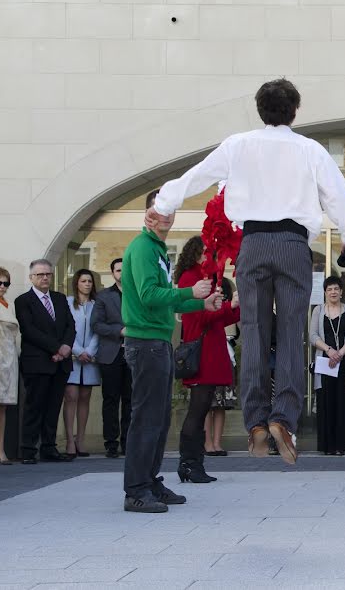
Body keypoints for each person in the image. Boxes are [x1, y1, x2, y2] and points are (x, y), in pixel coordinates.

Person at [147, 79, 345, 465]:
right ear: (294, 111)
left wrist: (164, 203)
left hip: (253, 243)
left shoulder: (238, 144)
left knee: (254, 330)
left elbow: (196, 175)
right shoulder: (309, 150)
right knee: (292, 329)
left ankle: (255, 422)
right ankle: (284, 418)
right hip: (294, 244)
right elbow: (339, 196)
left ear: (260, 110)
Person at [121, 191, 220, 513]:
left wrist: (199, 303)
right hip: (146, 342)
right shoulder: (143, 248)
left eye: (171, 209)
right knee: (147, 419)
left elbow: (167, 297)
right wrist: (191, 291)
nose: (167, 214)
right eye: (160, 208)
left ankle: (148, 482)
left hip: (157, 341)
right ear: (148, 212)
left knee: (158, 419)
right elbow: (149, 295)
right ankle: (136, 489)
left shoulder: (157, 250)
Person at [175, 236, 241, 483]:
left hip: (211, 348)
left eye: (209, 252)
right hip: (201, 350)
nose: (207, 256)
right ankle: (189, 463)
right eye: (203, 252)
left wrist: (233, 306)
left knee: (201, 410)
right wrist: (225, 307)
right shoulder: (189, 278)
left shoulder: (208, 278)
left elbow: (218, 318)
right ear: (193, 253)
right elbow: (198, 318)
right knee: (198, 410)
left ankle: (194, 463)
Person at [14, 259, 76, 464]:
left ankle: (49, 448)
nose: (44, 278)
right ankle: (28, 450)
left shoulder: (59, 299)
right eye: (40, 274)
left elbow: (70, 325)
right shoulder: (23, 300)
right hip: (37, 362)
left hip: (60, 363)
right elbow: (30, 330)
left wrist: (66, 347)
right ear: (31, 277)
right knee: (34, 406)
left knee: (53, 407)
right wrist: (57, 348)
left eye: (48, 274)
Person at [309, 276, 345, 455]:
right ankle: (328, 446)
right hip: (325, 362)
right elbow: (313, 335)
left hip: (344, 362)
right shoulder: (318, 311)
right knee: (326, 401)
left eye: (336, 289)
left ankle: (341, 445)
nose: (333, 292)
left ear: (341, 291)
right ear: (324, 292)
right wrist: (329, 351)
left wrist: (340, 353)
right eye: (329, 289)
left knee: (342, 402)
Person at [91, 258, 133, 458]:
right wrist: (120, 330)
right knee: (110, 400)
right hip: (111, 354)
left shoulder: (138, 293)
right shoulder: (103, 296)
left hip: (135, 353)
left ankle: (128, 442)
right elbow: (96, 325)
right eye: (118, 270)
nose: (122, 273)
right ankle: (111, 443)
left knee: (130, 400)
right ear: (112, 273)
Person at [62, 269, 100, 459]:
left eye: (90, 281)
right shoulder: (68, 303)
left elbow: (97, 331)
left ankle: (81, 440)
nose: (87, 284)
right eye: (84, 281)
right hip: (72, 356)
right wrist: (77, 350)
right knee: (71, 396)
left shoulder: (96, 305)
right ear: (76, 282)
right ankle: (69, 440)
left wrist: (90, 351)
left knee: (85, 397)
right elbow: (66, 328)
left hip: (90, 359)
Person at [205, 278, 240, 457]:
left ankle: (217, 443)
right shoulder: (205, 304)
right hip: (209, 357)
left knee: (221, 405)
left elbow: (234, 329)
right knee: (207, 404)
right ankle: (207, 443)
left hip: (227, 356)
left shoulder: (229, 307)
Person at [0, 267, 20, 465]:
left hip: (7, 360)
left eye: (6, 283)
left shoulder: (8, 305)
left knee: (1, 407)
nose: (2, 286)